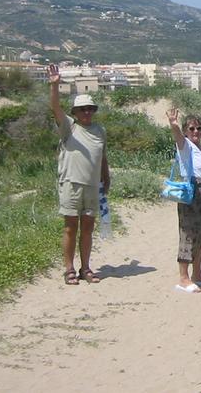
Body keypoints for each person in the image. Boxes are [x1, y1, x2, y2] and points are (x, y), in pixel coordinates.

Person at [48, 64, 111, 285]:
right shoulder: (69, 127)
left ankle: (85, 268)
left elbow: (102, 157)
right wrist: (54, 85)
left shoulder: (100, 130)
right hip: (71, 183)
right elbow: (55, 108)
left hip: (93, 185)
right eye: (83, 109)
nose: (87, 112)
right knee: (70, 227)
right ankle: (69, 269)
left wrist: (106, 177)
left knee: (87, 229)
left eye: (90, 109)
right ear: (74, 112)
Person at [166, 109, 201, 293]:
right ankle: (184, 278)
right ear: (186, 130)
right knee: (188, 233)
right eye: (192, 128)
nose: (196, 132)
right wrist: (174, 124)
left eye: (199, 128)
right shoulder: (184, 144)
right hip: (193, 192)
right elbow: (177, 136)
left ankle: (197, 274)